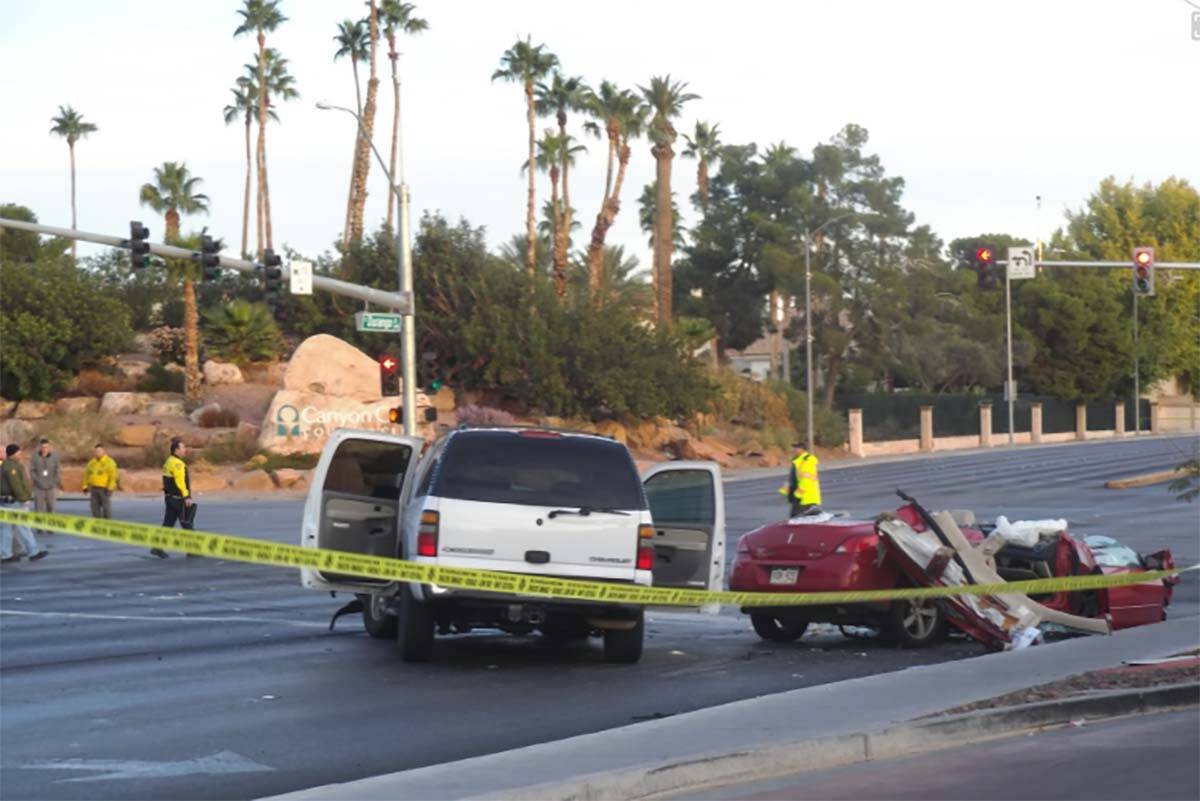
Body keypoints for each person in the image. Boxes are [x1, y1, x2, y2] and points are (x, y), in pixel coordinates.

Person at [1, 444, 49, 564]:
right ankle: (33, 552)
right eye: (19, 452)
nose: (21, 454)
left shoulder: (5, 466)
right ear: (13, 453)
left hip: (6, 502)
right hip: (15, 503)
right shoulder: (11, 467)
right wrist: (24, 498)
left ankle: (5, 554)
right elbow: (16, 485)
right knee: (24, 527)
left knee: (6, 529)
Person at [153, 437, 193, 558]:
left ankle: (157, 547)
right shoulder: (178, 464)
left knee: (168, 524)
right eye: (183, 447)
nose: (185, 450)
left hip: (169, 498)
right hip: (178, 498)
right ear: (176, 450)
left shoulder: (168, 461)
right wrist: (187, 496)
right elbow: (180, 482)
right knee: (187, 523)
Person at [778, 443, 821, 518]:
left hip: (806, 497)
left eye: (796, 448)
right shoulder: (797, 461)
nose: (794, 450)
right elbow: (792, 478)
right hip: (799, 496)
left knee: (797, 519)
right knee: (804, 520)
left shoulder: (807, 460)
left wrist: (799, 493)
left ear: (802, 449)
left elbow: (807, 479)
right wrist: (784, 490)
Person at [30, 437, 61, 535]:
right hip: (39, 487)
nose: (44, 449)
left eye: (46, 447)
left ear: (49, 447)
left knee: (51, 508)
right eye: (43, 447)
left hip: (50, 488)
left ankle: (50, 527)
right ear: (40, 447)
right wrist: (37, 481)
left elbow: (58, 470)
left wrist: (54, 482)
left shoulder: (54, 457)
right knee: (38, 508)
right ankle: (39, 527)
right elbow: (32, 471)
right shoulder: (35, 457)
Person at [82, 443, 119, 519]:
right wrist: (85, 486)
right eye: (95, 451)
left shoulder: (109, 462)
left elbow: (113, 476)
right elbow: (86, 475)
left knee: (106, 510)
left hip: (104, 489)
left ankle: (107, 526)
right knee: (94, 509)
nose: (97, 453)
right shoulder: (91, 463)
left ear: (104, 451)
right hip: (94, 489)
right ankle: (97, 526)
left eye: (99, 451)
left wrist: (110, 488)